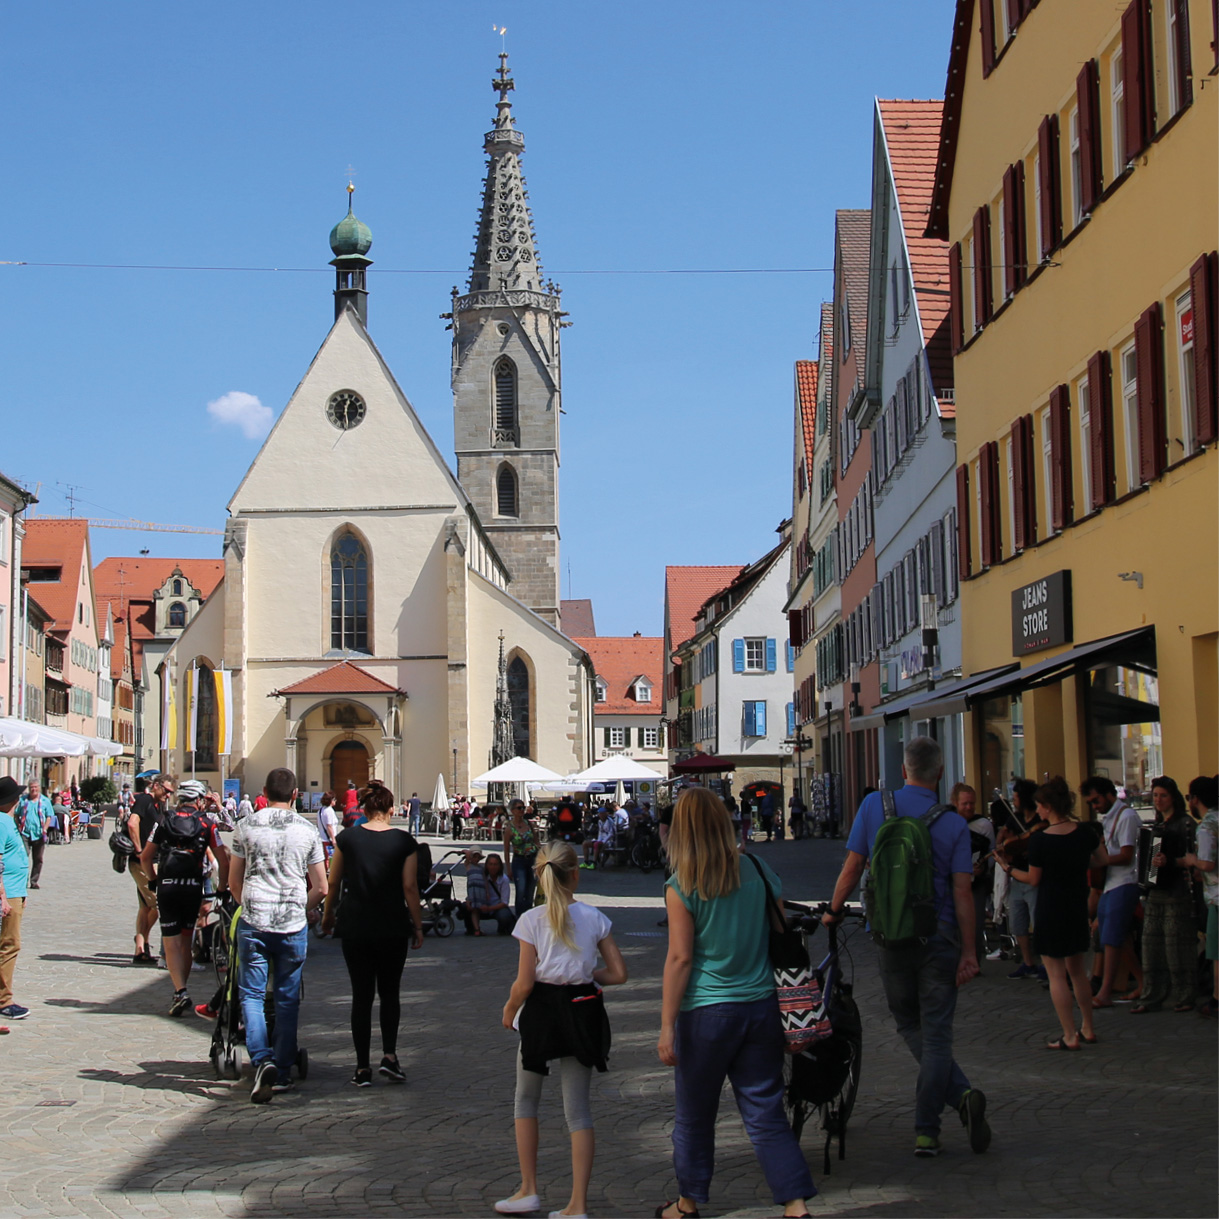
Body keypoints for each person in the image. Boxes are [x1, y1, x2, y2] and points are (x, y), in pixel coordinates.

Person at [823, 737, 989, 1159]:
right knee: (936, 1035)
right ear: (939, 774)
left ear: (903, 770)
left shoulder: (875, 807)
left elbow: (853, 865)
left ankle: (959, 1100)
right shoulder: (954, 824)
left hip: (891, 936)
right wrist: (970, 952)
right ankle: (928, 1130)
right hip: (941, 937)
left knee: (908, 1024)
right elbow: (964, 892)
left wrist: (834, 910)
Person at [655, 787, 814, 1218]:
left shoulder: (681, 885)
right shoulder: (759, 870)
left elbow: (680, 958)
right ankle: (795, 1204)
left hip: (706, 1010)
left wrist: (667, 1025)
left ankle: (687, 1203)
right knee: (766, 1112)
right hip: (760, 1005)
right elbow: (779, 935)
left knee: (694, 1114)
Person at [497, 841, 627, 1219]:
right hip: (581, 1008)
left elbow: (524, 982)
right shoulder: (594, 917)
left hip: (540, 1009)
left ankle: (528, 1189)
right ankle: (577, 1204)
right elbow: (619, 973)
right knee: (578, 1111)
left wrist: (509, 1008)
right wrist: (587, 975)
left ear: (539, 875)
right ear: (576, 874)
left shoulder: (531, 920)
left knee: (526, 1099)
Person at [229, 767, 328, 1103]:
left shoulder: (246, 826)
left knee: (252, 996)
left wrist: (251, 903)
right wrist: (301, 908)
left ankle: (261, 1060)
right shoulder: (308, 829)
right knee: (286, 999)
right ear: (296, 794)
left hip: (255, 918)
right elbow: (322, 886)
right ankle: (282, 1072)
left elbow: (233, 882)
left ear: (263, 792)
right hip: (291, 923)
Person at [321, 779, 423, 1086]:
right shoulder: (404, 841)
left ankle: (362, 1067)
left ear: (364, 809)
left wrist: (327, 916)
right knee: (390, 993)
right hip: (392, 924)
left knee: (361, 996)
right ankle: (390, 1057)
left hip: (355, 925)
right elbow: (409, 887)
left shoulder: (347, 839)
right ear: (391, 809)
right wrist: (417, 925)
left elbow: (334, 882)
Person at [997, 777, 1099, 1049]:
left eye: (1040, 806)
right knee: (1077, 972)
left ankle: (1069, 1035)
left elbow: (1033, 879)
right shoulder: (1085, 831)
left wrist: (1007, 869)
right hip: (1077, 905)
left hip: (1051, 908)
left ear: (1048, 807)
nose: (1037, 811)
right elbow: (1101, 859)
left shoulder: (1041, 840)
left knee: (1056, 975)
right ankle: (1087, 1027)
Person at [139, 779, 229, 1018]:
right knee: (186, 941)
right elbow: (223, 859)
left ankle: (180, 991)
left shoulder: (164, 820)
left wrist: (152, 879)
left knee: (171, 942)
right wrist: (221, 888)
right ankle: (181, 990)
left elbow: (146, 857)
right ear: (199, 800)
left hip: (168, 887)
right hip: (193, 888)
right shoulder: (207, 823)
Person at [1133, 777, 1198, 1014]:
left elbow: (1194, 859)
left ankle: (1184, 994)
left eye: (1163, 796)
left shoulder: (1186, 823)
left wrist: (1170, 862)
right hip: (1156, 892)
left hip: (1177, 892)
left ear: (1174, 798)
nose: (1158, 800)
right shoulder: (1157, 824)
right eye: (1156, 796)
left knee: (1176, 946)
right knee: (1151, 945)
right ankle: (1152, 995)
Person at [1083, 776, 1143, 1008]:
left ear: (1109, 794)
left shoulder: (1126, 816)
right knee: (1119, 938)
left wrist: (1098, 861)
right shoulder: (1109, 818)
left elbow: (1127, 855)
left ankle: (1106, 991)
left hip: (1125, 882)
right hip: (1112, 884)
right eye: (1091, 802)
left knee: (1112, 939)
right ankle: (1142, 981)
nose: (1094, 806)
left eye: (1096, 800)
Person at [995, 779, 1046, 981]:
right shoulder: (1014, 818)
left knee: (1038, 922)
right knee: (1018, 922)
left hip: (1034, 876)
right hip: (1017, 875)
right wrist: (1005, 841)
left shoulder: (1039, 821)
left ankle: (1044, 963)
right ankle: (1028, 962)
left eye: (1015, 797)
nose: (1013, 801)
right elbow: (1002, 838)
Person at [126, 775, 173, 964]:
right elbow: (132, 822)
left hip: (150, 859)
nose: (168, 795)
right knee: (158, 903)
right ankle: (141, 942)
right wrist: (139, 850)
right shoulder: (145, 800)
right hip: (143, 861)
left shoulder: (157, 805)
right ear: (156, 786)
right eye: (166, 791)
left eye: (171, 793)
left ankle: (140, 947)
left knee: (146, 906)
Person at [1182, 776, 1219, 1017]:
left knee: (1216, 952)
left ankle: (1216, 998)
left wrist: (1191, 860)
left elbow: (1207, 863)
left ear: (1196, 799)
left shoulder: (1205, 826)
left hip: (1216, 896)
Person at [951, 783, 994, 965]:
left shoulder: (983, 825)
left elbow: (991, 853)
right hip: (952, 882)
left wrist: (982, 868)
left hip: (976, 884)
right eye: (965, 804)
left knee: (975, 923)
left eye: (972, 803)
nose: (969, 807)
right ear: (955, 803)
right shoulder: (948, 823)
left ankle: (973, 961)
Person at [0, 776, 32, 1026]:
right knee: (9, 946)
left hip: (14, 891)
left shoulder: (7, 821)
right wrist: (3, 896)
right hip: (6, 893)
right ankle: (4, 1001)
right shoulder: (1, 822)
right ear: (12, 800)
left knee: (9, 945)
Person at [462, 852, 515, 935]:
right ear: (486, 865)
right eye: (490, 864)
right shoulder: (481, 874)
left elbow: (505, 903)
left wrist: (489, 908)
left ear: (500, 866)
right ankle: (472, 929)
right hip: (480, 905)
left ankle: (502, 929)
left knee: (504, 915)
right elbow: (472, 888)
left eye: (495, 864)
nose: (493, 867)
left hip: (496, 908)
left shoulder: (504, 879)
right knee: (465, 906)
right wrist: (468, 899)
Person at [504, 799, 540, 913]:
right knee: (521, 891)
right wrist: (508, 869)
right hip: (519, 861)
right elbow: (506, 850)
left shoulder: (529, 824)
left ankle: (528, 918)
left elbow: (536, 841)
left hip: (532, 859)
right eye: (519, 808)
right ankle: (519, 919)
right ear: (512, 810)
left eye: (523, 808)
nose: (522, 810)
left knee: (530, 892)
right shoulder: (509, 828)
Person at [14, 782, 52, 889]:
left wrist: (45, 828)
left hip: (39, 834)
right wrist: (18, 826)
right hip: (25, 833)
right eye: (31, 787)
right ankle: (23, 880)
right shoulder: (23, 800)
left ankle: (34, 881)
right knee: (23, 857)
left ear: (39, 788)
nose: (33, 789)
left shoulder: (45, 801)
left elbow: (49, 816)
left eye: (35, 787)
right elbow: (16, 814)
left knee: (38, 858)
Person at [316, 792, 340, 861]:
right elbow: (329, 826)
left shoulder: (320, 810)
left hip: (322, 837)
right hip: (328, 839)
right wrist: (333, 839)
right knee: (330, 859)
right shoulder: (329, 811)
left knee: (324, 859)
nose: (336, 801)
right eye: (334, 799)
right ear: (330, 800)